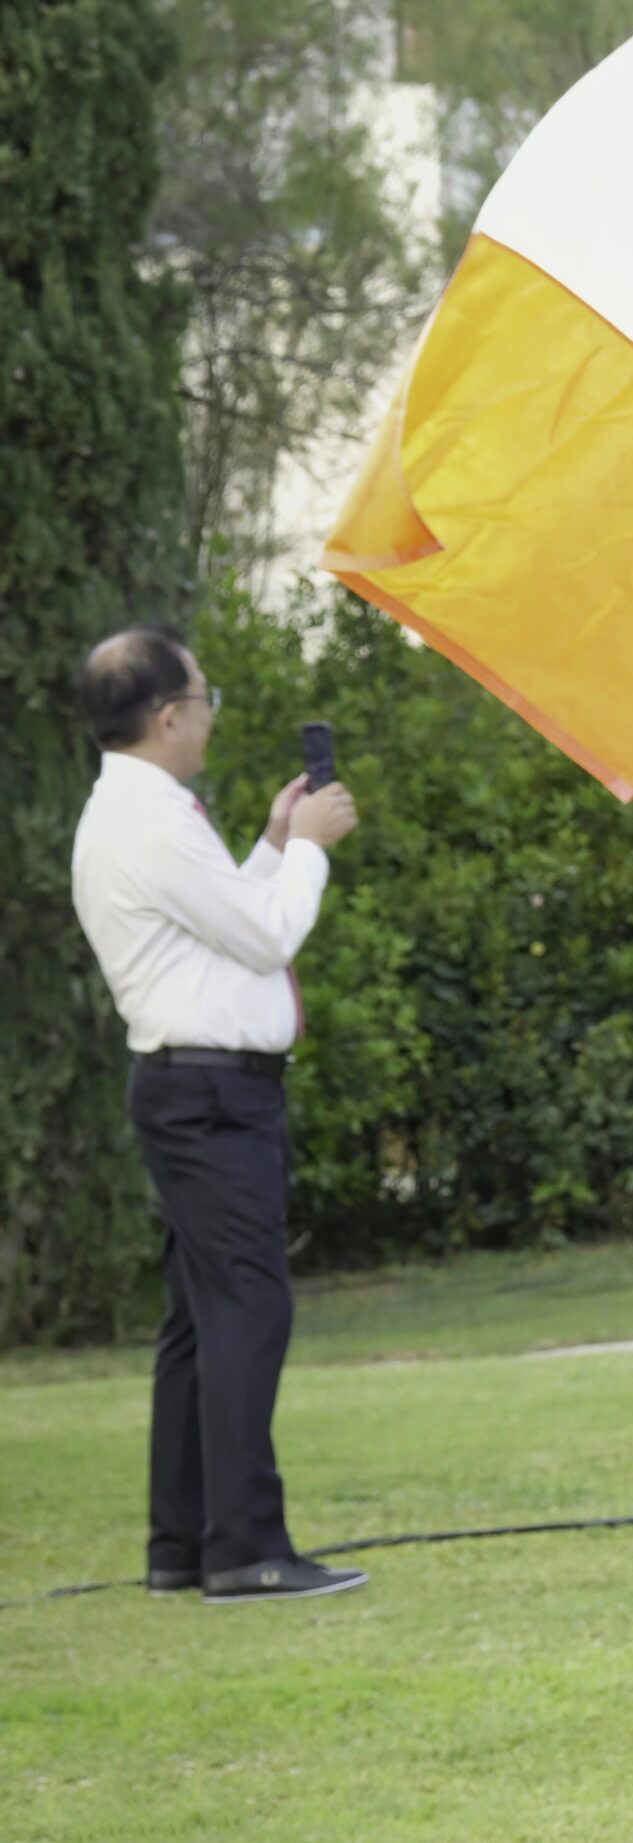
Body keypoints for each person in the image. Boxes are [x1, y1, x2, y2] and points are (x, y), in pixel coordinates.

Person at [70, 626, 369, 1605]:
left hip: (189, 1088)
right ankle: (245, 1547)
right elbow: (270, 934)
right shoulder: (151, 821)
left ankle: (183, 1544)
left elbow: (224, 929)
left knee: (200, 1320)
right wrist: (311, 850)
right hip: (210, 1097)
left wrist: (275, 844)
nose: (209, 716)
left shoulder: (138, 811)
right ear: (168, 717)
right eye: (205, 700)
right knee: (248, 1305)